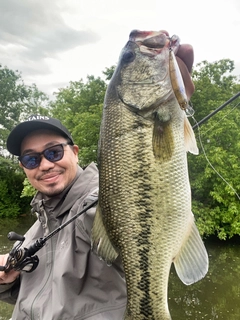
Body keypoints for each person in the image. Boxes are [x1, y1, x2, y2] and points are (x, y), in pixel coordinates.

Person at [0, 115, 127, 320]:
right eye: (31, 159)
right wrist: (6, 281)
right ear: (24, 168)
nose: (45, 165)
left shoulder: (99, 204)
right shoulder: (36, 228)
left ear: (75, 153)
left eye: (54, 152)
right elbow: (38, 298)